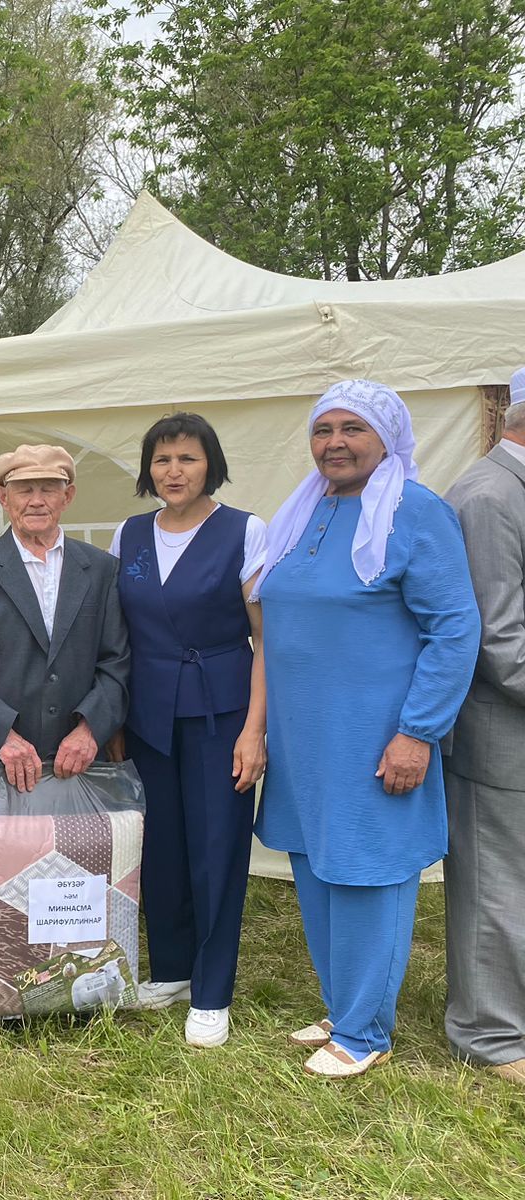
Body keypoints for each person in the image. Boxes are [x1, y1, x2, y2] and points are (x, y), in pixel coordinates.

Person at [254, 379, 479, 1078]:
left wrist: (418, 731)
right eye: (324, 430)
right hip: (303, 738)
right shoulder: (304, 509)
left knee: (366, 873)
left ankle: (366, 1029)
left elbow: (455, 628)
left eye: (353, 429)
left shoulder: (416, 510)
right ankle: (343, 1002)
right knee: (316, 867)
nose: (335, 443)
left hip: (375, 736)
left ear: (388, 438)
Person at [110, 414, 267, 1049]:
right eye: (162, 460)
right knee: (162, 849)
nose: (174, 472)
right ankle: (172, 970)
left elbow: (267, 640)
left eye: (188, 459)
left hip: (220, 714)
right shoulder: (130, 534)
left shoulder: (244, 530)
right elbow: (118, 636)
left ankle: (212, 989)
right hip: (149, 715)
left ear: (212, 464)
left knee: (216, 850)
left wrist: (255, 730)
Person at [0, 444, 129, 790]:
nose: (37, 500)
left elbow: (117, 661)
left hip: (80, 762)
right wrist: (1, 736)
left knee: (80, 847)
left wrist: (89, 731)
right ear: (3, 497)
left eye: (49, 489)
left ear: (67, 496)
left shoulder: (102, 569)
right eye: (24, 490)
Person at [442, 368, 525, 1085]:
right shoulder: (490, 495)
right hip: (499, 727)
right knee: (494, 880)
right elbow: (497, 638)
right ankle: (489, 1034)